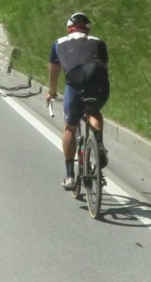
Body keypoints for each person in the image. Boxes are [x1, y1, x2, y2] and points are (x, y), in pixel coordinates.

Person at [45, 12, 110, 191]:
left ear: (68, 29)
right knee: (94, 112)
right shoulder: (99, 42)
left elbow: (54, 70)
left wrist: (51, 92)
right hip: (99, 84)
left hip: (75, 84)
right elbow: (104, 67)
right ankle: (99, 143)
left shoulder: (58, 43)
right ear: (87, 28)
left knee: (70, 127)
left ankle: (70, 176)